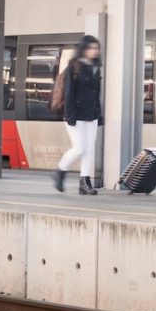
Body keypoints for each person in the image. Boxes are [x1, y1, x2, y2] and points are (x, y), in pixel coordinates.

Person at [52, 35, 102, 195]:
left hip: (91, 114)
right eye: (91, 48)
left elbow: (96, 94)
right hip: (75, 115)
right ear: (83, 49)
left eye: (96, 48)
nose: (94, 51)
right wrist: (70, 115)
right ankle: (60, 171)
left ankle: (85, 183)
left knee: (89, 149)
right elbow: (69, 93)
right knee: (79, 148)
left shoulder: (95, 67)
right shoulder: (74, 66)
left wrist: (98, 114)